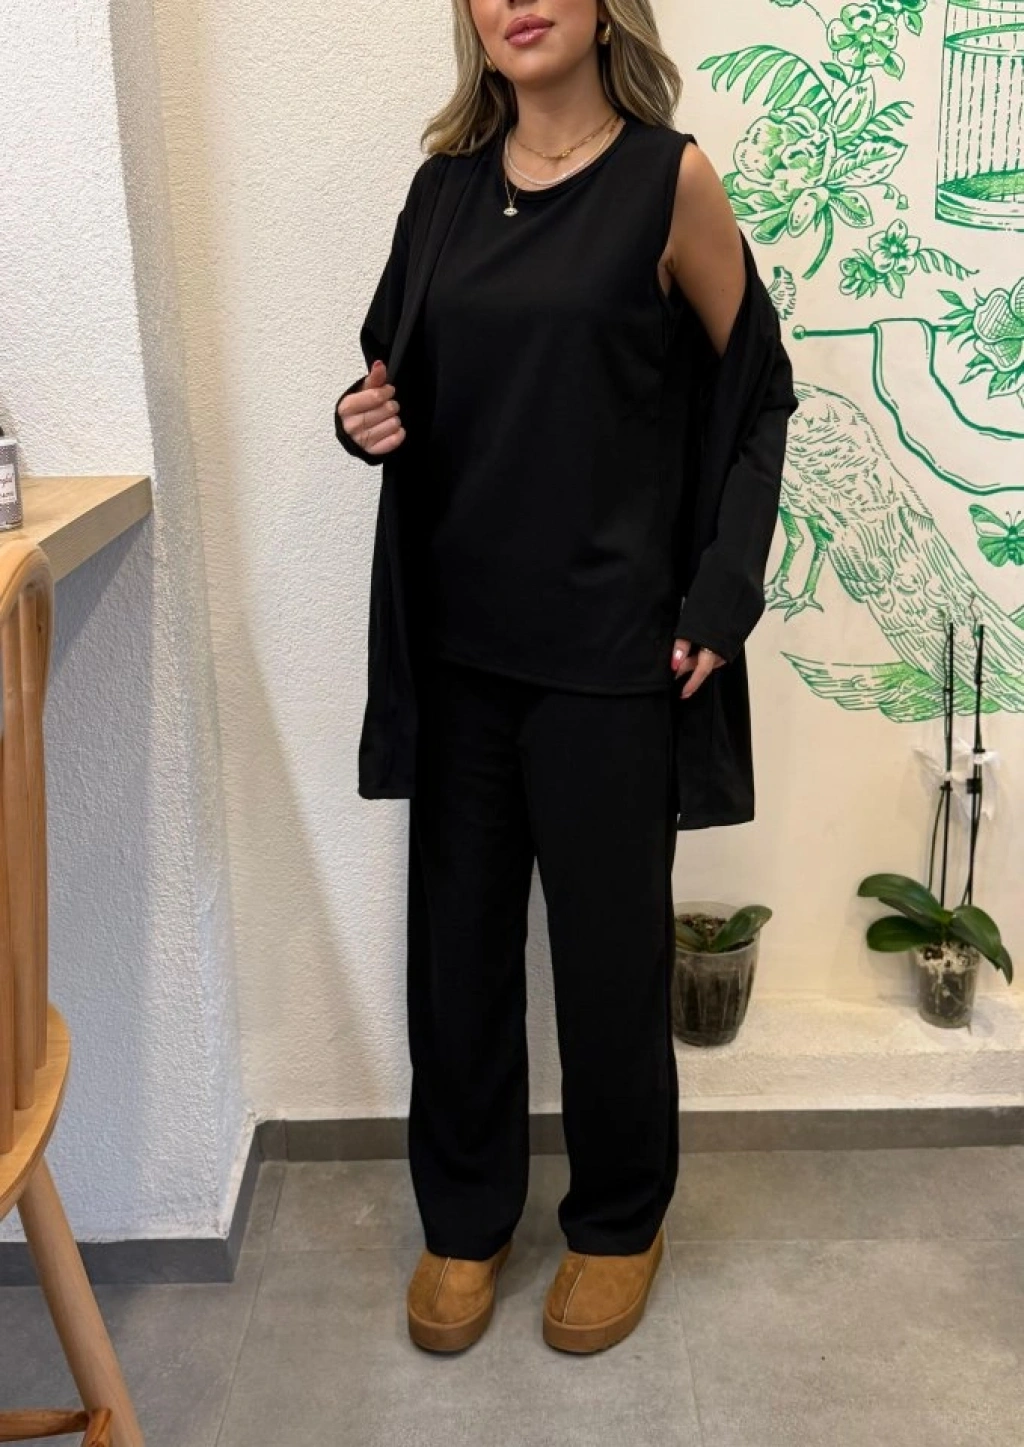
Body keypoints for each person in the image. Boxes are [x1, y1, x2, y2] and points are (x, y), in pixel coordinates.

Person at [335, 0, 779, 1357]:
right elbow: (392, 381)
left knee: (606, 966)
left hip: (609, 658)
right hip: (460, 651)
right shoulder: (443, 193)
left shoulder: (669, 181)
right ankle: (466, 1219)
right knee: (458, 963)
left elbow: (758, 393)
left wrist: (723, 594)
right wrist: (362, 421)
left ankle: (620, 1221)